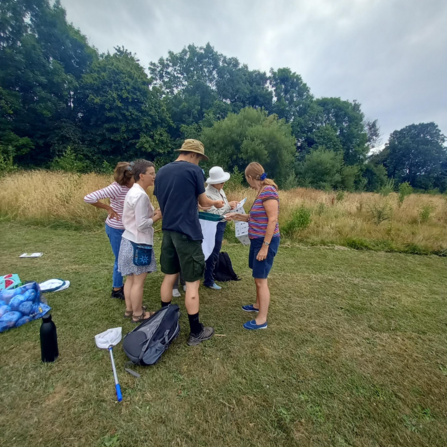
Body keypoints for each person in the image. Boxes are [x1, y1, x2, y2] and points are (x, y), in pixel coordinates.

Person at [154, 139, 224, 346]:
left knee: (169, 277)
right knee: (192, 282)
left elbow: (167, 202)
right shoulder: (194, 171)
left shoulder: (162, 172)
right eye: (200, 159)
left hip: (168, 232)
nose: (199, 163)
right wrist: (215, 202)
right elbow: (203, 203)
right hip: (188, 233)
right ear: (194, 155)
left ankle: (163, 324)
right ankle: (196, 331)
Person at [225, 162, 280, 330]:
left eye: (246, 178)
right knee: (257, 276)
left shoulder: (269, 191)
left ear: (250, 177)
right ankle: (257, 305)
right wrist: (237, 216)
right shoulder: (261, 191)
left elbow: (272, 219)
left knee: (261, 280)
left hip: (264, 241)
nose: (247, 181)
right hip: (256, 240)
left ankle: (261, 320)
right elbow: (254, 217)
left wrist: (265, 247)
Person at [118, 159, 162, 323]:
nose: (154, 177)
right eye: (151, 173)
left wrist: (153, 214)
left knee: (130, 279)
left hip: (128, 241)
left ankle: (130, 309)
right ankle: (138, 314)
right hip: (138, 244)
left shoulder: (133, 191)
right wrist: (157, 216)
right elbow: (142, 224)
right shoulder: (141, 196)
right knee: (138, 282)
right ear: (141, 175)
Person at [84, 162, 134, 300]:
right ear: (127, 178)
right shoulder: (116, 188)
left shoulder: (132, 188)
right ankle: (116, 289)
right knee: (120, 259)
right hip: (115, 229)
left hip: (126, 228)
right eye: (134, 178)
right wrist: (107, 208)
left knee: (125, 257)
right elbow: (88, 198)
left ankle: (121, 285)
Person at [203, 166, 239, 290]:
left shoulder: (220, 191)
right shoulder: (207, 194)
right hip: (213, 225)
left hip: (220, 223)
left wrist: (229, 210)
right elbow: (213, 213)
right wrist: (228, 207)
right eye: (221, 182)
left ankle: (208, 276)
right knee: (212, 251)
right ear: (214, 183)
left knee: (215, 251)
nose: (224, 184)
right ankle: (208, 279)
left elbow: (221, 210)